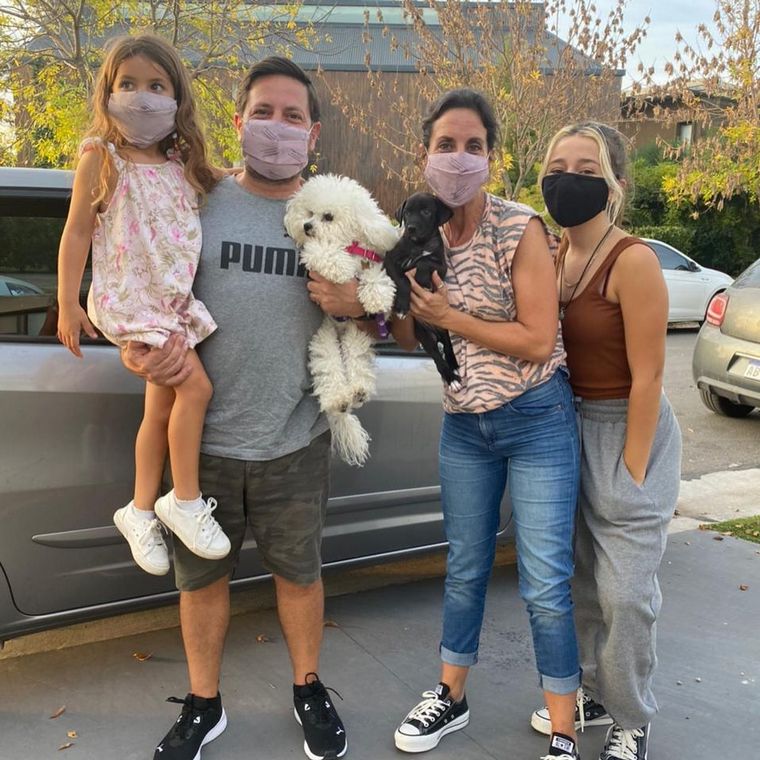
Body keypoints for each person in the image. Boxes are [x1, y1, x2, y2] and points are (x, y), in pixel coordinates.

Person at [120, 56, 350, 760]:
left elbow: (378, 315)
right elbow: (140, 282)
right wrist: (136, 350)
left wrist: (358, 306)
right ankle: (204, 703)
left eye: (292, 116)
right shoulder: (196, 199)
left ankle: (308, 687)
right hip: (201, 447)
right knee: (201, 582)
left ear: (313, 133)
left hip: (295, 439)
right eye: (263, 112)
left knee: (299, 577)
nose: (276, 127)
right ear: (238, 119)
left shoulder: (334, 214)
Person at [389, 88, 583, 760]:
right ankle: (451, 696)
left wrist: (450, 318)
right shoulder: (420, 234)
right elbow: (409, 336)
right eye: (446, 144)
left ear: (491, 157)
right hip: (465, 427)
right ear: (425, 154)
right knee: (465, 567)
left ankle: (563, 729)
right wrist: (397, 298)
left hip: (536, 420)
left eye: (473, 145)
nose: (459, 157)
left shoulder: (518, 228)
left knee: (545, 584)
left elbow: (537, 338)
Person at [529, 122, 682, 760]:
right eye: (558, 167)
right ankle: (595, 691)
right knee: (583, 583)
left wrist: (632, 470)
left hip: (626, 427)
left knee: (626, 594)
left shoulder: (633, 260)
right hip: (564, 425)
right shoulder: (549, 255)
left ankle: (632, 717)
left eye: (587, 170)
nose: (570, 179)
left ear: (615, 183)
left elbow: (650, 376)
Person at [57, 34, 231, 578]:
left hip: (170, 304)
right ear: (107, 93)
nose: (143, 96)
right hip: (132, 303)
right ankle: (183, 500)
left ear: (177, 97)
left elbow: (219, 186)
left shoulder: (181, 163)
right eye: (128, 84)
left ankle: (137, 510)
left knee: (160, 408)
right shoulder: (101, 157)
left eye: (157, 86)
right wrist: (66, 302)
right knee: (197, 389)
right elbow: (77, 231)